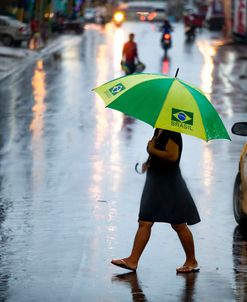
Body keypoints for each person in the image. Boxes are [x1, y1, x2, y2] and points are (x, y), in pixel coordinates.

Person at [111, 128, 201, 273]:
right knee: (145, 221)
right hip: (156, 182)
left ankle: (191, 260)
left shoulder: (171, 131)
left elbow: (172, 156)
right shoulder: (159, 130)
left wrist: (151, 149)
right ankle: (133, 261)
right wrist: (149, 162)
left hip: (169, 184)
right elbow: (159, 154)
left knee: (178, 224)